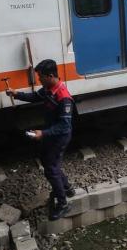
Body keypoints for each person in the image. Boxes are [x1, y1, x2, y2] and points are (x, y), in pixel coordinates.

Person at [6, 59, 75, 220]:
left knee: (51, 168)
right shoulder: (48, 88)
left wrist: (43, 134)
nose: (39, 80)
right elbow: (34, 97)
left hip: (60, 137)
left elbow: (65, 126)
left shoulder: (63, 97)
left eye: (41, 77)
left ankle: (63, 204)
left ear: (51, 75)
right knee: (50, 163)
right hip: (52, 135)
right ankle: (67, 188)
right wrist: (16, 94)